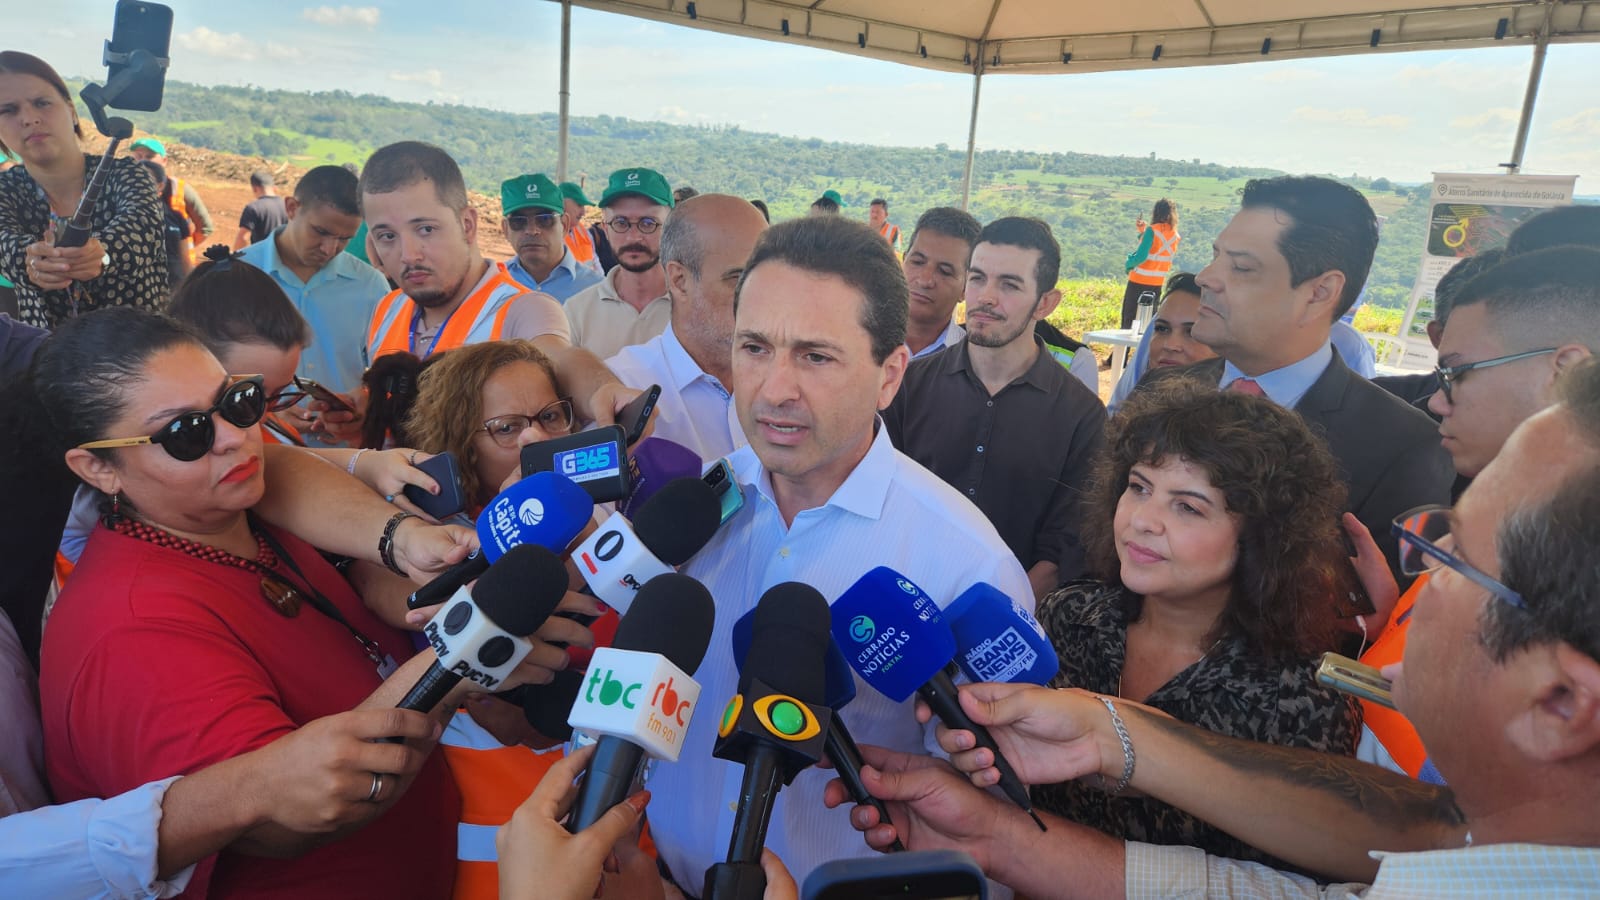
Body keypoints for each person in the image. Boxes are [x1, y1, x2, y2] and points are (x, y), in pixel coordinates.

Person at [828, 358, 1600, 898]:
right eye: (1139, 489)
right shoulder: (1069, 620)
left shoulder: (1308, 689)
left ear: (1562, 702)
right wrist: (998, 828)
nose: (1413, 589)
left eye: (1453, 556)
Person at [32, 307, 588, 898]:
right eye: (187, 433)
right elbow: (285, 818)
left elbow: (284, 465)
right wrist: (464, 651)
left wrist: (405, 547)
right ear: (98, 468)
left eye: (239, 402)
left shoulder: (240, 506)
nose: (236, 438)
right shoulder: (132, 632)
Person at [645, 215, 1033, 890]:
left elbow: (993, 836)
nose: (773, 389)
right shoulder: (691, 512)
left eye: (816, 356)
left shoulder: (968, 565)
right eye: (755, 348)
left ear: (889, 376)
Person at [1032, 381, 1360, 866]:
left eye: (1187, 506)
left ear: (1261, 537)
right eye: (1139, 487)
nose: (1143, 520)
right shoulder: (1068, 616)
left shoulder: (1303, 699)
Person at [1141, 175, 1453, 580]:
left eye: (1241, 267)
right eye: (1215, 256)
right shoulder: (1161, 392)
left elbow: (1382, 619)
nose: (1205, 278)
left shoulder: (1404, 447)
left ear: (1320, 292)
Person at [885, 217, 1105, 595]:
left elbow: (1064, 548)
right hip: (906, 607)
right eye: (977, 278)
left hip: (1014, 624)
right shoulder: (909, 387)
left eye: (1009, 284)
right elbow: (881, 502)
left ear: (1046, 303)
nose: (986, 296)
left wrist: (997, 618)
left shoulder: (1081, 415)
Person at [354, 141, 634, 434]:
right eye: (387, 236)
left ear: (467, 225)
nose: (408, 254)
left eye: (426, 229)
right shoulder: (387, 310)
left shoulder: (520, 310)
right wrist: (361, 414)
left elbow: (558, 357)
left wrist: (602, 391)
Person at [0, 51, 167, 329]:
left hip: (139, 357)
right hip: (47, 365)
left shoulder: (126, 174)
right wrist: (33, 259)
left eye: (42, 103)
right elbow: (4, 244)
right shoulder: (5, 190)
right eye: (8, 110)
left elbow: (142, 227)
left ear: (72, 111)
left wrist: (103, 253)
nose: (29, 118)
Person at [607, 193, 767, 461]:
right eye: (739, 279)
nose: (761, 297)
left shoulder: (790, 381)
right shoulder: (624, 391)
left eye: (766, 278)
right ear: (680, 280)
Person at [236, 164, 391, 403]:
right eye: (320, 232)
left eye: (344, 239)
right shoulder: (235, 276)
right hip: (257, 437)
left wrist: (361, 405)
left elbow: (385, 375)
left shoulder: (371, 287)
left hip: (344, 440)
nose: (330, 249)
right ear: (291, 208)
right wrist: (265, 412)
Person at [405, 340, 575, 512]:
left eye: (549, 416)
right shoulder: (440, 532)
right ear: (464, 448)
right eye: (507, 428)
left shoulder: (601, 503)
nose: (538, 437)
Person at [562, 168, 674, 359]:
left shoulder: (696, 307)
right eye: (621, 223)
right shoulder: (577, 312)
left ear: (671, 226)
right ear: (605, 228)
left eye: (648, 223)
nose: (634, 237)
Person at [1106, 273, 1218, 413]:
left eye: (1191, 332)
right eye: (1162, 328)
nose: (1170, 345)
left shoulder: (1236, 423)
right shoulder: (1129, 417)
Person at [499, 173, 602, 303]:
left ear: (564, 225)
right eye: (518, 221)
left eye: (544, 219)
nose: (532, 231)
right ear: (506, 229)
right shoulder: (492, 287)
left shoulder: (596, 291)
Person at [901, 206, 979, 360]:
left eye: (944, 271)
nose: (925, 280)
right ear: (903, 261)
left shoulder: (973, 362)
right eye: (917, 262)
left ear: (966, 288)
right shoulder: (858, 337)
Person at [129, 137, 213, 258]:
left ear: (164, 161)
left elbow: (205, 228)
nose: (143, 161)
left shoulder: (180, 189)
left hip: (175, 267)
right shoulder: (118, 188)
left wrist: (179, 247)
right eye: (138, 156)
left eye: (149, 156)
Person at [1121, 199, 1179, 329]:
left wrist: (1129, 264)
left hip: (1138, 281)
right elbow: (1158, 250)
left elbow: (1141, 256)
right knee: (1148, 321)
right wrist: (1143, 232)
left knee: (1129, 319)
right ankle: (1144, 348)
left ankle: (1122, 349)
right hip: (1157, 283)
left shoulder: (1152, 230)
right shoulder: (1175, 235)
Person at [136, 158, 194, 288]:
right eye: (134, 179)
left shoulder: (176, 217)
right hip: (136, 289)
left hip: (171, 288)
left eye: (145, 180)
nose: (138, 184)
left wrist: (191, 287)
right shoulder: (116, 214)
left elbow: (185, 260)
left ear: (160, 185)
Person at [558, 180, 604, 275]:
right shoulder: (550, 236)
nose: (583, 212)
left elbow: (594, 260)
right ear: (562, 203)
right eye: (579, 205)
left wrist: (602, 283)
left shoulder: (582, 231)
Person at [234, 170, 288, 249]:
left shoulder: (253, 208)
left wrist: (236, 258)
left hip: (261, 258)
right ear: (274, 188)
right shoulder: (288, 206)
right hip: (283, 258)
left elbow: (243, 238)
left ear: (255, 189)